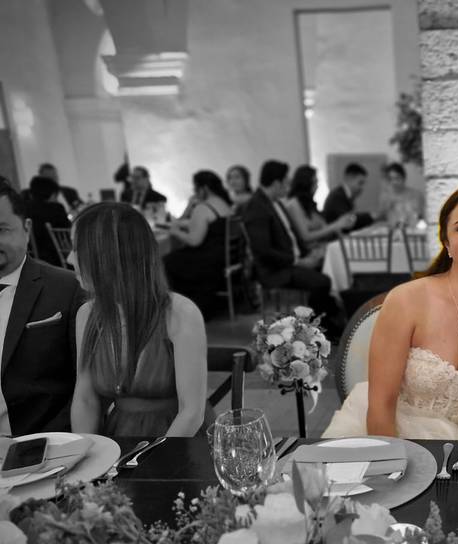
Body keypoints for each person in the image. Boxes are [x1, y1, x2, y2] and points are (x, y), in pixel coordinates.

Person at [324, 182, 458, 440]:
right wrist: (396, 472)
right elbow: (380, 410)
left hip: (454, 457)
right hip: (383, 440)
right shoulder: (406, 301)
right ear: (447, 241)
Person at [69, 203, 212, 438]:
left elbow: (191, 413)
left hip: (180, 443)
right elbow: (86, 398)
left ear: (109, 256)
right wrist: (89, 454)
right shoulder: (87, 314)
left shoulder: (181, 313)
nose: (68, 258)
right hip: (121, 438)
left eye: (76, 249)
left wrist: (148, 463)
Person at [0, 177, 84, 437]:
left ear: (26, 228)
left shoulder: (67, 288)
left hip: (45, 445)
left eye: (1, 229)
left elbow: (88, 388)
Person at [242, 160, 344, 335]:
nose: (288, 187)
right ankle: (324, 327)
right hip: (274, 271)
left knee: (326, 271)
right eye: (286, 182)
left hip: (289, 261)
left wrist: (308, 255)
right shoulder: (257, 207)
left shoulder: (275, 202)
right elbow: (263, 250)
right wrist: (297, 261)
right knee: (322, 282)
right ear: (276, 183)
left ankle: (330, 320)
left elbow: (291, 237)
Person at [163, 170, 234, 317]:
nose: (195, 193)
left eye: (195, 188)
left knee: (165, 261)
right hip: (224, 258)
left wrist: (175, 231)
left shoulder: (203, 207)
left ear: (204, 188)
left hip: (208, 261)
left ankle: (180, 309)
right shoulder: (223, 203)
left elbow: (195, 241)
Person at [284, 165, 355, 248]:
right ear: (305, 183)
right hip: (310, 252)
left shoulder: (310, 204)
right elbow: (305, 237)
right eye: (314, 182)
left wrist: (340, 226)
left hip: (323, 247)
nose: (317, 186)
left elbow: (324, 227)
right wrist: (335, 225)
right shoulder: (293, 204)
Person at [24, 176, 71, 266]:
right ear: (53, 194)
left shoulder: (24, 209)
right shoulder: (57, 208)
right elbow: (67, 233)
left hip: (31, 258)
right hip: (58, 259)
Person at [376, 162, 423, 227]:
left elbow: (421, 215)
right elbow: (380, 217)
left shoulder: (416, 194)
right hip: (393, 231)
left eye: (397, 178)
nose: (394, 182)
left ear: (404, 178)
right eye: (390, 179)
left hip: (413, 230)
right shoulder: (385, 197)